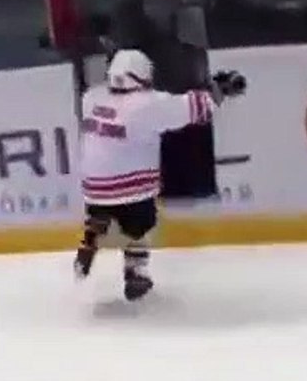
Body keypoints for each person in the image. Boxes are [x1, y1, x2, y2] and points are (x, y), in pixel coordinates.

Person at [73, 48, 247, 301]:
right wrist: (221, 89)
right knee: (142, 225)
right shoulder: (148, 104)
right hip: (130, 186)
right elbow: (193, 108)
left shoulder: (92, 97)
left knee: (102, 209)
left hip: (93, 186)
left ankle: (92, 232)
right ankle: (136, 271)